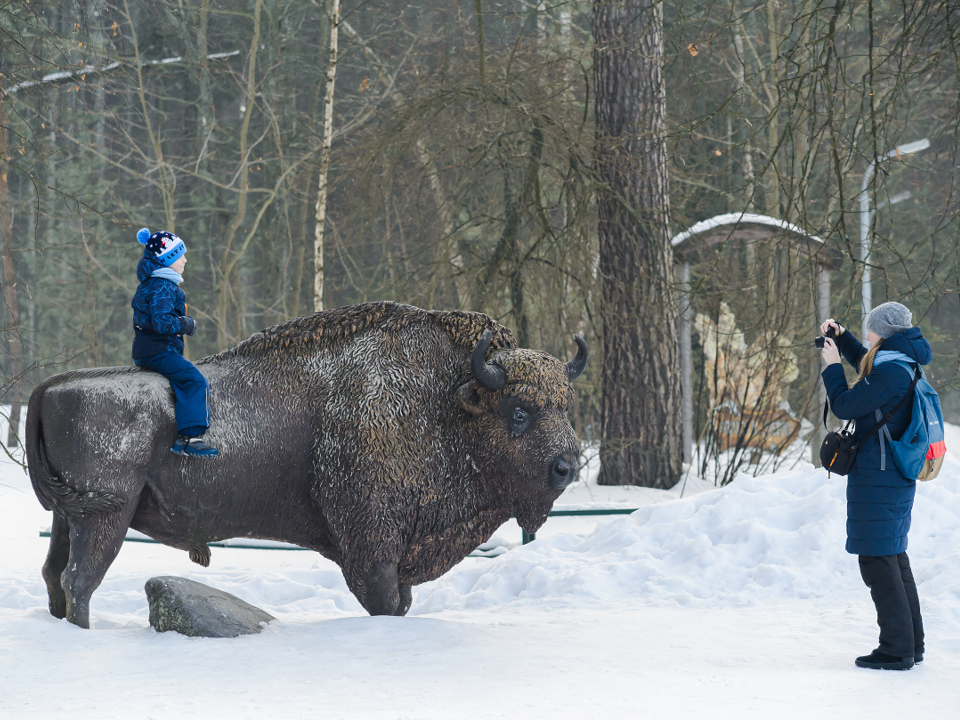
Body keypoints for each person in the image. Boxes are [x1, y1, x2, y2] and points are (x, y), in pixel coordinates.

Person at [819, 301, 929, 671]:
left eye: (870, 329)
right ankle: (911, 644)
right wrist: (843, 338)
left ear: (884, 331)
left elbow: (847, 404)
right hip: (892, 476)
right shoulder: (901, 362)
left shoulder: (891, 373)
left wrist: (832, 367)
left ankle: (896, 649)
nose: (867, 335)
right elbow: (867, 364)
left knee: (878, 561)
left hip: (879, 478)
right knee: (893, 556)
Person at [131, 227, 218, 458]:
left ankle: (181, 442)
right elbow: (162, 322)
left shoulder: (154, 283)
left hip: (150, 349)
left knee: (183, 376)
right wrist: (186, 324)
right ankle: (192, 437)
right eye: (180, 255)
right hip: (159, 351)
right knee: (194, 380)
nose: (185, 260)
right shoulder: (162, 287)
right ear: (166, 260)